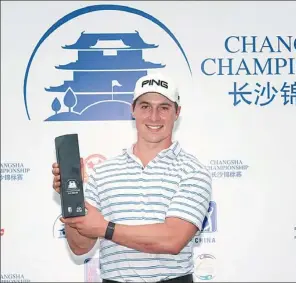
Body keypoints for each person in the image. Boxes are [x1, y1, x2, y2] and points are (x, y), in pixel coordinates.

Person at [51, 73, 212, 283]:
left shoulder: (193, 171)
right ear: (133, 110)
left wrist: (104, 228)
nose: (154, 117)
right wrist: (72, 197)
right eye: (145, 106)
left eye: (164, 108)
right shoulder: (103, 173)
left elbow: (173, 239)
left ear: (177, 112)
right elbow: (80, 246)